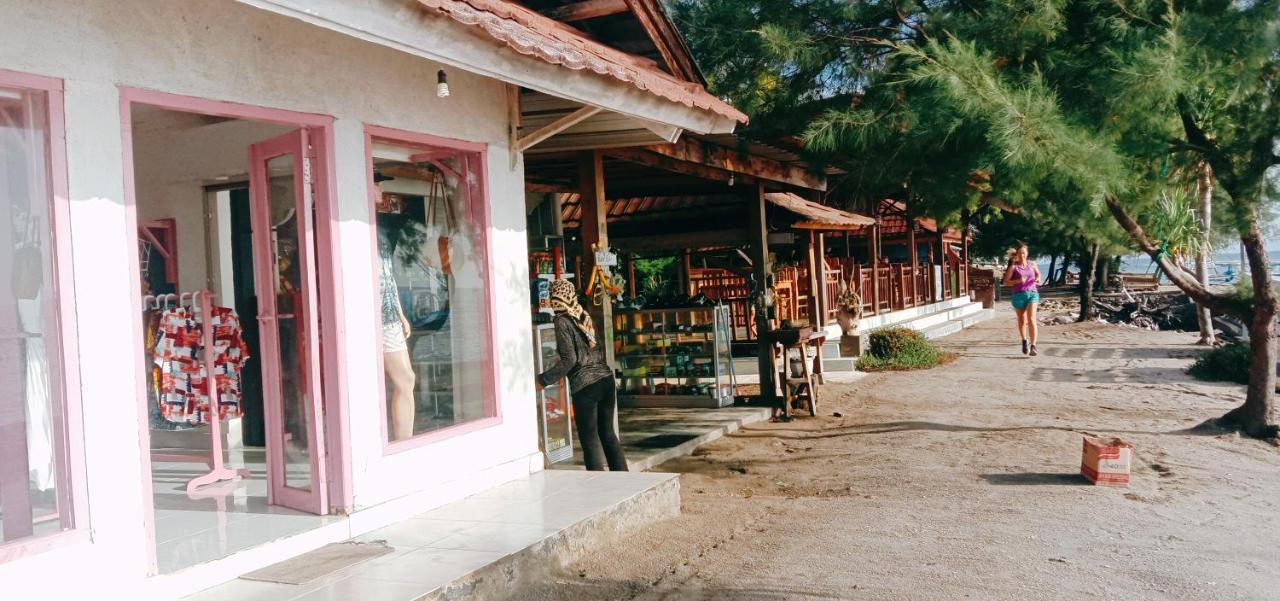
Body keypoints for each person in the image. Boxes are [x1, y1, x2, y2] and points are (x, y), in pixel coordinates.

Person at [537, 279, 628, 471]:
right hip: (606, 380)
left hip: (586, 386)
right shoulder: (583, 315)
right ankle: (623, 478)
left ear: (556, 298)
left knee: (590, 438)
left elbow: (570, 359)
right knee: (608, 434)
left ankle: (596, 485)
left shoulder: (561, 321)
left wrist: (542, 380)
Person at [375, 174, 417, 441]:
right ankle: (402, 442)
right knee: (403, 379)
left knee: (406, 379)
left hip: (388, 314)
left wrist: (400, 312)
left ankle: (405, 442)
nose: (380, 188)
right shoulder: (360, 228)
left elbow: (386, 274)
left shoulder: (377, 228)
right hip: (373, 314)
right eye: (375, 182)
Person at [1002, 242, 1041, 356]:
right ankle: (1024, 341)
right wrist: (1018, 281)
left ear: (1027, 253)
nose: (1022, 255)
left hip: (1032, 293)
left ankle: (1033, 346)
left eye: (1024, 253)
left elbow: (1038, 274)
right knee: (1022, 321)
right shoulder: (1014, 267)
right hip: (1018, 295)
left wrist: (1038, 279)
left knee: (1032, 319)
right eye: (1020, 253)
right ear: (1017, 254)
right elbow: (1005, 282)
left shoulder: (1032, 264)